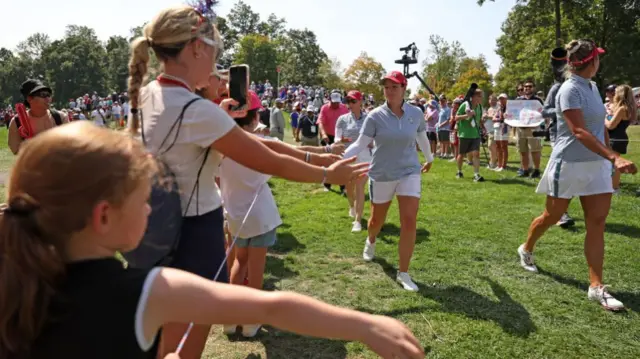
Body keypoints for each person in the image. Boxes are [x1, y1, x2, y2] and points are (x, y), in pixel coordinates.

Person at [0, 121, 425, 359]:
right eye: (144, 200)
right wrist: (366, 324)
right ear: (104, 217)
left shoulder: (14, 287)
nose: (151, 209)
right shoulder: (149, 291)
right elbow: (274, 306)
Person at [125, 6, 368, 358]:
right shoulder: (195, 109)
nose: (215, 63)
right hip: (192, 233)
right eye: (215, 50)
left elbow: (256, 144)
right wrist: (329, 174)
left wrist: (316, 156)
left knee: (159, 332)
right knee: (183, 341)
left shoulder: (147, 96)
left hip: (150, 226)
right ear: (196, 47)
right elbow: (266, 158)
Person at [518, 39, 637, 311]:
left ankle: (596, 286)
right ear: (591, 61)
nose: (600, 62)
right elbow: (579, 131)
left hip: (596, 164)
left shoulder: (593, 87)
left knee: (596, 223)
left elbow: (599, 127)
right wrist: (614, 157)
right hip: (569, 164)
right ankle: (526, 248)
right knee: (550, 216)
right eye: (598, 58)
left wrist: (608, 155)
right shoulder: (569, 90)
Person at [344, 71, 434, 292]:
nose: (390, 91)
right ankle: (371, 240)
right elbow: (360, 144)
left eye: (394, 87)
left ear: (404, 89)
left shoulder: (416, 112)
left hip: (409, 172)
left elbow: (421, 135)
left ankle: (403, 272)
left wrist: (429, 157)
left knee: (410, 220)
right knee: (376, 221)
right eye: (386, 87)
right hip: (382, 173)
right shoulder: (375, 116)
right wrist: (339, 158)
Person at [543, 47, 575, 228]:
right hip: (560, 135)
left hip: (576, 135)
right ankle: (560, 213)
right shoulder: (556, 88)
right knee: (561, 175)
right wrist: (563, 112)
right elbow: (545, 111)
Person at [336, 90, 371, 233]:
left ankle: (357, 220)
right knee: (348, 187)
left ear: (360, 101)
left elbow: (376, 137)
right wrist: (340, 140)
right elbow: (337, 138)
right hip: (348, 156)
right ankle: (352, 206)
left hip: (365, 157)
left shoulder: (370, 118)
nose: (350, 104)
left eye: (353, 101)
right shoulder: (342, 119)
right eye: (348, 101)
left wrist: (372, 143)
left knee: (359, 186)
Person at [8, 79, 69, 155]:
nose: (48, 99)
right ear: (29, 99)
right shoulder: (17, 122)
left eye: (48, 95)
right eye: (43, 95)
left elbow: (69, 145)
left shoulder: (60, 117)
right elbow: (16, 150)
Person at [318, 91, 350, 192]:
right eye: (334, 102)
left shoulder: (344, 108)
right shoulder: (324, 108)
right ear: (330, 100)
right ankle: (327, 184)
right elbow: (321, 122)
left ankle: (343, 185)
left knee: (341, 161)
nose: (336, 104)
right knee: (327, 161)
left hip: (340, 137)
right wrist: (323, 134)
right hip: (328, 137)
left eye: (337, 102)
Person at [606, 84, 635, 192]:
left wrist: (604, 117)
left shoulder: (622, 108)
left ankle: (614, 188)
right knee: (612, 164)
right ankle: (613, 186)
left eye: (616, 92)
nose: (614, 94)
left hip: (615, 139)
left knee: (615, 165)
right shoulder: (628, 108)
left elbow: (610, 125)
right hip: (620, 137)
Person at [455, 89, 485, 182]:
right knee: (461, 154)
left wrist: (483, 128)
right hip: (464, 134)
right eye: (479, 96)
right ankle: (459, 171)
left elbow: (479, 120)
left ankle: (476, 174)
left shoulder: (480, 107)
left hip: (475, 134)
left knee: (476, 154)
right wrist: (467, 115)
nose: (481, 98)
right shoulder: (465, 105)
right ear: (474, 97)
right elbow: (456, 118)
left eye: (481, 96)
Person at [515, 80, 544, 178]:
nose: (527, 88)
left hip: (533, 128)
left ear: (533, 88)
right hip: (521, 128)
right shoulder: (519, 100)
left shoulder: (537, 100)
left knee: (535, 150)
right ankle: (525, 170)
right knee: (523, 151)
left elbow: (542, 112)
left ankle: (536, 170)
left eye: (530, 86)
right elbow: (513, 112)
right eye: (525, 86)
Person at [493, 94, 510, 172]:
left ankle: (503, 165)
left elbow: (506, 117)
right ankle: (499, 164)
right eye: (500, 99)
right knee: (498, 146)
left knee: (504, 146)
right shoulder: (498, 108)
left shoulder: (509, 108)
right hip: (497, 127)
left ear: (506, 99)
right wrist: (498, 118)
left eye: (503, 99)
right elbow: (494, 117)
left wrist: (499, 118)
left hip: (505, 127)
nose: (501, 100)